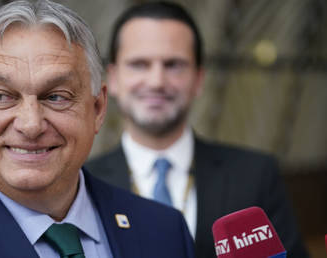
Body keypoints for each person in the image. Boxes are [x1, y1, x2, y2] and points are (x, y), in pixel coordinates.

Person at [0, 1, 195, 257]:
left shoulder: (164, 231)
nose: (30, 125)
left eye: (56, 97)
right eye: (2, 97)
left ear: (98, 109)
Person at [85, 2, 309, 257]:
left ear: (199, 79)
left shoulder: (256, 176)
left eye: (173, 65)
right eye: (139, 64)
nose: (157, 81)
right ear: (113, 79)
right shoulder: (83, 182)